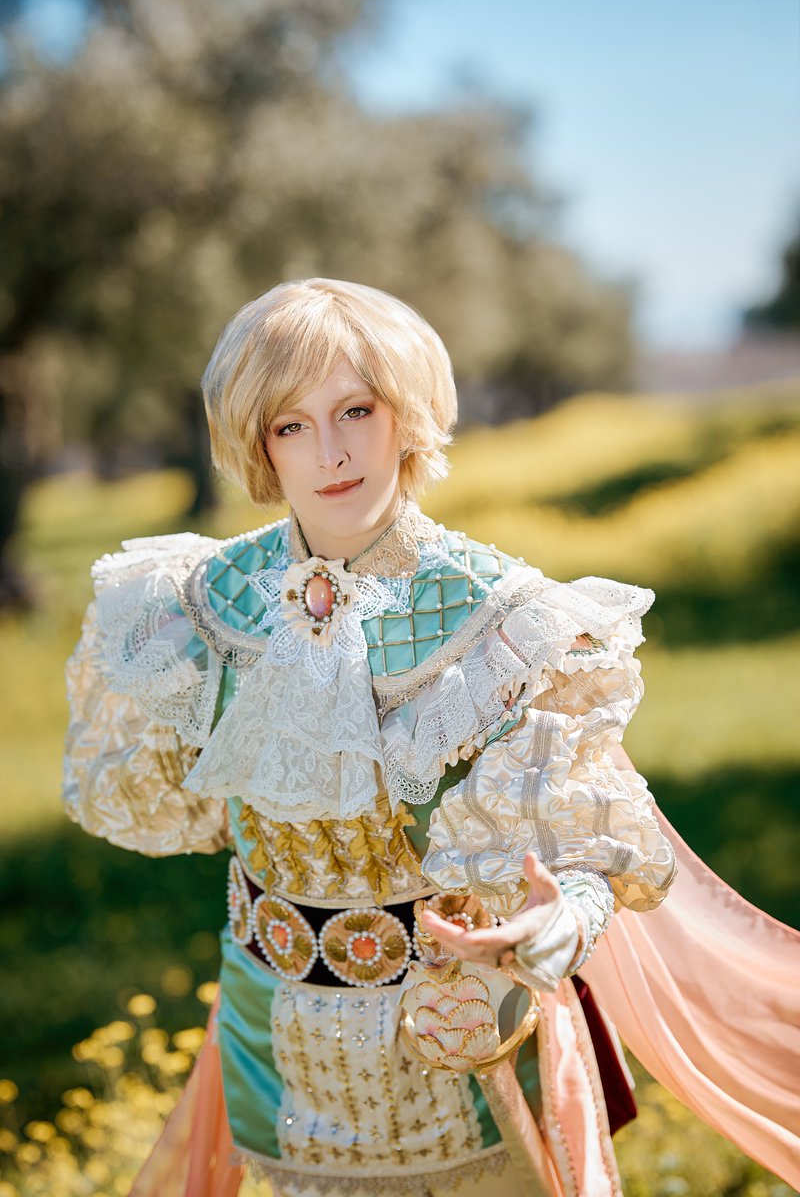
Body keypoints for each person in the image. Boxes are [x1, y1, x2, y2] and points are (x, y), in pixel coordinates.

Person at [62, 278, 800, 1197]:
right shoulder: (191, 608)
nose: (330, 452)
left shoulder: (501, 619)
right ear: (258, 443)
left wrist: (553, 925)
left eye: (355, 410)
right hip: (276, 1043)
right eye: (290, 425)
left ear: (405, 415)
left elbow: (583, 854)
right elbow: (198, 807)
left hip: (465, 1043)